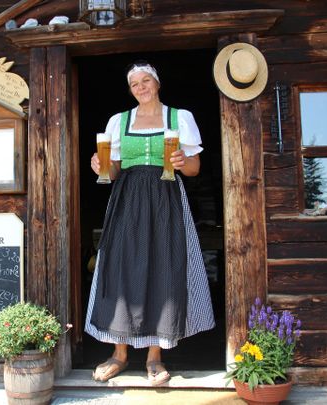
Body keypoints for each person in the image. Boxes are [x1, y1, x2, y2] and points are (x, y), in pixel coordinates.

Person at [85, 61, 215, 386]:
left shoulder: (179, 117)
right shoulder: (119, 121)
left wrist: (183, 162)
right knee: (119, 270)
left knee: (163, 268)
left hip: (165, 200)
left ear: (157, 83)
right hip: (126, 201)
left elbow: (195, 167)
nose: (141, 87)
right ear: (130, 89)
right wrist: (100, 166)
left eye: (146, 81)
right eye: (134, 84)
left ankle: (154, 358)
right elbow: (111, 173)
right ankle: (119, 354)